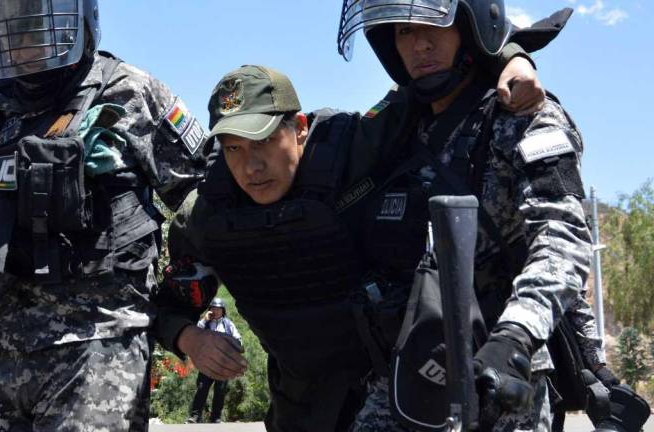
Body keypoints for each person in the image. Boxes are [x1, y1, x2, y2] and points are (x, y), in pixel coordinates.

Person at [154, 56, 546, 431]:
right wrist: (190, 338)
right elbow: (165, 305)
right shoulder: (211, 215)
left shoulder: (352, 152)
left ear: (301, 128)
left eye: (265, 142)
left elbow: (432, 74)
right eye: (233, 148)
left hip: (392, 394)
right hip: (301, 406)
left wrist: (512, 58)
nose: (251, 167)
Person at [0, 1, 209, 430]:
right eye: (12, 31)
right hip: (2, 350)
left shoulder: (127, 90)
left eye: (35, 29)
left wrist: (176, 321)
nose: (23, 45)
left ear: (76, 21)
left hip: (99, 349)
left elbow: (206, 205)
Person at [334, 0, 593, 431]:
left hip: (501, 369)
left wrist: (515, 336)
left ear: (471, 30)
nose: (419, 45)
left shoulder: (523, 119)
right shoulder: (394, 131)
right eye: (403, 32)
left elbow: (563, 235)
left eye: (435, 26)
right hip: (410, 364)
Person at [186, 297, 242, 424]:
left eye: (218, 309)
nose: (215, 311)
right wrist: (204, 319)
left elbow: (238, 339)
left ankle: (215, 417)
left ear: (223, 310)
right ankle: (195, 417)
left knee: (220, 391)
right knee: (201, 388)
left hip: (222, 364)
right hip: (206, 362)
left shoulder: (228, 324)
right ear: (209, 310)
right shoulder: (205, 323)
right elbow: (195, 332)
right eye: (213, 308)